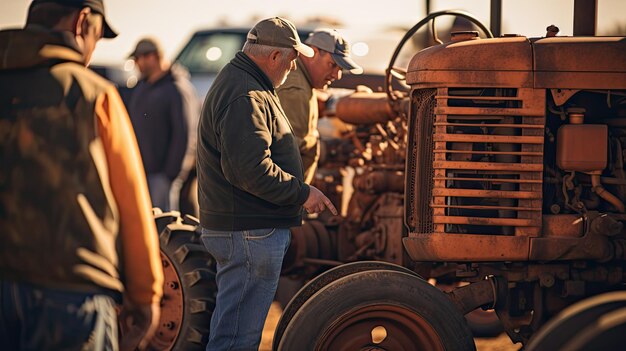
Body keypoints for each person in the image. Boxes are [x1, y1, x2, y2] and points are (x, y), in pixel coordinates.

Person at [0, 1, 163, 350]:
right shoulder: (93, 93)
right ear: (82, 22)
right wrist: (145, 293)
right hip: (72, 299)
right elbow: (131, 202)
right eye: (98, 36)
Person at [197, 17, 338, 350]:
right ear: (275, 57)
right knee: (236, 339)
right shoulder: (245, 93)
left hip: (247, 229)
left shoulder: (247, 83)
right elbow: (250, 170)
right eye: (291, 60)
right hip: (249, 231)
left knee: (232, 331)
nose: (292, 68)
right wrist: (303, 193)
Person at [277, 28, 363, 184]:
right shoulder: (297, 90)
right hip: (288, 194)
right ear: (312, 52)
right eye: (332, 65)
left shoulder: (300, 79)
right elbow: (288, 152)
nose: (337, 75)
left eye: (341, 68)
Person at [127, 37, 198, 211]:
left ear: (152, 57)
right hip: (141, 172)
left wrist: (171, 174)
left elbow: (185, 134)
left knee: (164, 228)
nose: (136, 64)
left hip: (162, 177)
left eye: (138, 59)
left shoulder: (177, 89)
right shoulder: (141, 88)